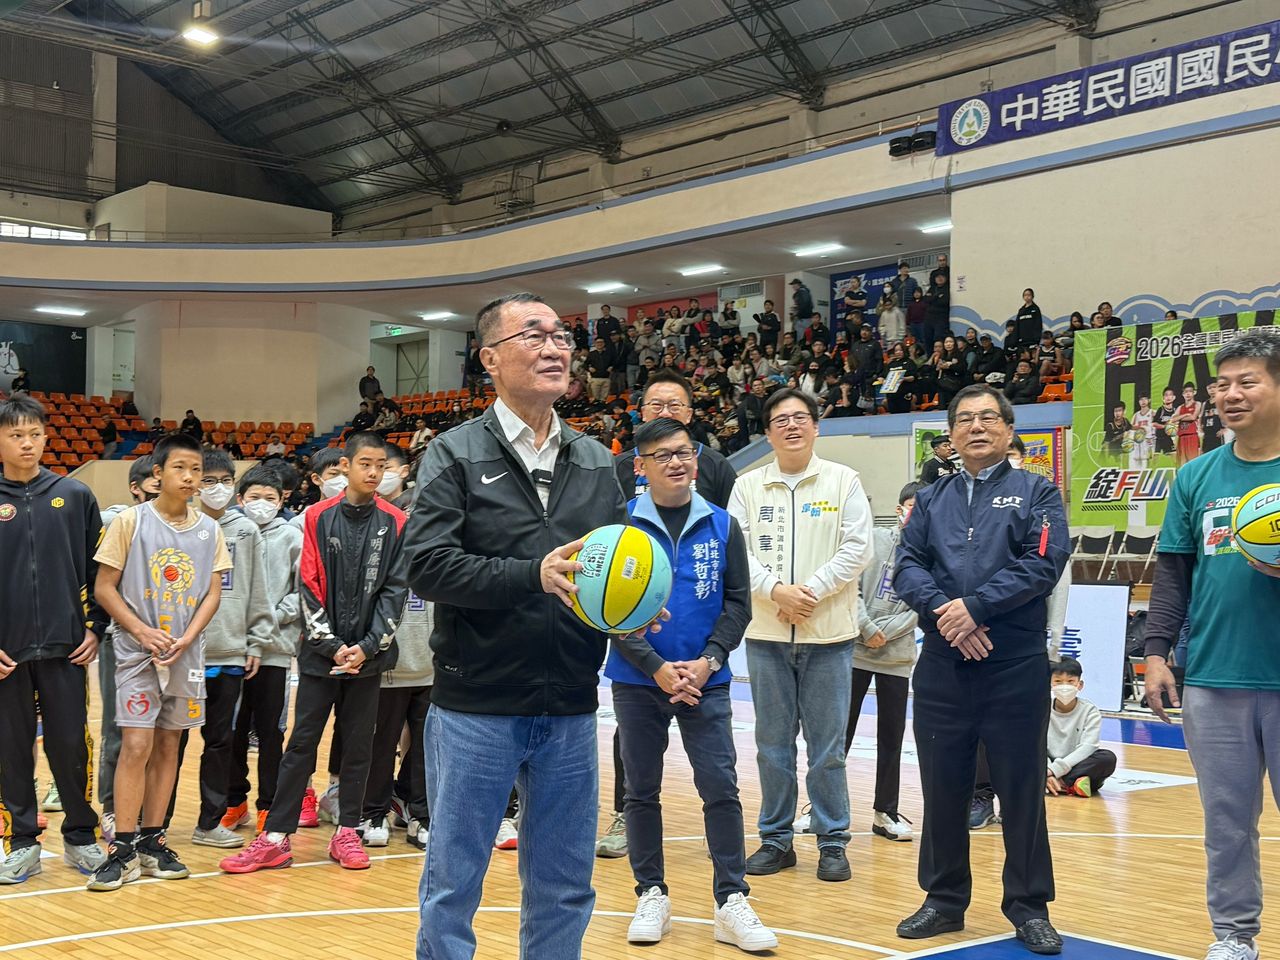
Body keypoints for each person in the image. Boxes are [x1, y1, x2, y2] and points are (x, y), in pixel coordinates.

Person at [403, 293, 640, 960]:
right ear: (490, 359)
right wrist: (529, 575)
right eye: (533, 335)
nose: (554, 347)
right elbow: (425, 565)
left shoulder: (595, 460)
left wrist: (637, 608)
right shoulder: (454, 452)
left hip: (570, 703)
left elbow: (613, 566)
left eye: (561, 336)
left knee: (565, 885)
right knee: (454, 883)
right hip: (475, 705)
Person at [892, 384, 1068, 953]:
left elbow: (1043, 562)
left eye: (988, 417)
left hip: (1013, 662)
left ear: (1009, 430)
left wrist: (977, 608)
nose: (976, 426)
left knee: (1021, 788)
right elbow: (906, 565)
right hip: (944, 662)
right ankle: (943, 901)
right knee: (943, 785)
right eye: (964, 418)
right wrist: (949, 615)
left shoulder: (1038, 492)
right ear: (951, 434)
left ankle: (1029, 906)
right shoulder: (930, 499)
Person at [607, 418, 775, 951]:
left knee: (721, 788)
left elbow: (737, 603)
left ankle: (732, 900)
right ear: (641, 466)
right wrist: (655, 665)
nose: (676, 462)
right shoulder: (618, 526)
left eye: (683, 452)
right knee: (641, 791)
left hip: (708, 680)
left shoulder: (723, 525)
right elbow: (604, 608)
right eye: (662, 455)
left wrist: (709, 659)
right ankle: (650, 893)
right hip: (637, 680)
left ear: (696, 458)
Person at [1141, 331, 1280, 960]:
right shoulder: (1196, 476)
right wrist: (1156, 653)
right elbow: (1173, 573)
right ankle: (1234, 935)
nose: (1230, 395)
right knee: (1227, 823)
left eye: (1247, 381)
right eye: (1222, 384)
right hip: (1214, 679)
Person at [219, 433, 407, 875]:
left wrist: (366, 647)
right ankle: (275, 837)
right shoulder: (316, 517)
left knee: (358, 746)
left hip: (369, 660)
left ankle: (348, 832)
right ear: (346, 467)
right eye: (365, 464)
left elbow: (395, 590)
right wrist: (333, 646)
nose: (373, 473)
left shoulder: (397, 521)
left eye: (381, 466)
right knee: (301, 743)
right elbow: (308, 585)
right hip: (321, 657)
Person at [729, 388, 874, 883]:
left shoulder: (843, 480)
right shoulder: (747, 486)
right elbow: (736, 551)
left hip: (828, 636)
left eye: (799, 417)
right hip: (767, 634)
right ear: (768, 433)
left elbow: (859, 548)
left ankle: (832, 841)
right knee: (772, 745)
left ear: (816, 426)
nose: (791, 426)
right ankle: (776, 839)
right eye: (780, 420)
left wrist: (808, 591)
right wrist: (776, 592)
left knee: (827, 748)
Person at [88, 432, 232, 891]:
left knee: (170, 745)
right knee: (136, 745)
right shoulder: (130, 521)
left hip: (185, 652)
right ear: (158, 473)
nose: (189, 478)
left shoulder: (210, 530)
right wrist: (141, 631)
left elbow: (212, 593)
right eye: (180, 468)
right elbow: (104, 588)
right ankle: (122, 847)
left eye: (197, 471)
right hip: (136, 651)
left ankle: (153, 840)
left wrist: (188, 637)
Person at [0, 394, 108, 884]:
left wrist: (95, 626)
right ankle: (21, 842)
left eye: (35, 434)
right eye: (16, 435)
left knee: (70, 746)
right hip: (7, 653)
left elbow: (99, 569)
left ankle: (81, 837)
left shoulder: (75, 495)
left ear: (47, 437)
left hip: (68, 648)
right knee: (10, 748)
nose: (27, 444)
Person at [182, 449, 276, 851]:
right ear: (194, 482)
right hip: (183, 652)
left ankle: (210, 821)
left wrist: (256, 639)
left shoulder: (246, 531)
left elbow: (258, 588)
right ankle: (155, 822)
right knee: (172, 741)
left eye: (224, 481)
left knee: (221, 740)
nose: (217, 488)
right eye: (209, 480)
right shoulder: (180, 525)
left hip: (229, 652)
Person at [223, 464, 304, 837]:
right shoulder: (229, 534)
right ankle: (234, 801)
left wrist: (270, 616)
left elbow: (303, 590)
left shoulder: (291, 537)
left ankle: (268, 806)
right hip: (232, 649)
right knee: (232, 731)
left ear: (281, 501)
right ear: (240, 499)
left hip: (273, 649)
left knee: (271, 732)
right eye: (254, 497)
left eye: (269, 498)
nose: (261, 503)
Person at [362, 444, 434, 851]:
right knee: (380, 743)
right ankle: (374, 811)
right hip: (389, 667)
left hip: (432, 667)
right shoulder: (385, 553)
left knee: (426, 746)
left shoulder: (444, 555)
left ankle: (418, 812)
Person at [845, 481, 921, 844]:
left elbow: (921, 605)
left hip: (896, 657)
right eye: (911, 505)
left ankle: (885, 812)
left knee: (891, 739)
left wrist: (883, 633)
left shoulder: (932, 553)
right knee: (838, 734)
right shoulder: (872, 539)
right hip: (855, 651)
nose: (915, 513)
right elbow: (851, 587)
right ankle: (822, 806)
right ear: (898, 508)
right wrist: (866, 627)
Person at [97, 456, 161, 843]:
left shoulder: (188, 528)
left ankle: (150, 818)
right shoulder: (118, 521)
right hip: (121, 641)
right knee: (118, 729)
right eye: (153, 484)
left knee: (161, 735)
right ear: (136, 488)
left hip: (169, 644)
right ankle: (111, 807)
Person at [1045, 659, 1116, 798]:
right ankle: (1071, 784)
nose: (1064, 686)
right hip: (1047, 764)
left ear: (1080, 684)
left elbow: (1088, 746)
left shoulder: (1090, 711)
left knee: (1107, 758)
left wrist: (1052, 772)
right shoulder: (1042, 709)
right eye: (1058, 681)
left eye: (1070, 681)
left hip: (1077, 764)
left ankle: (1057, 782)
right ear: (1050, 683)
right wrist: (1047, 768)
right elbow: (1037, 746)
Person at [1175, 381, 1203, 466]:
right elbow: (1173, 419)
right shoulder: (1180, 407)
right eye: (1186, 392)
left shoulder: (1197, 404)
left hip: (1192, 436)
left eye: (1190, 391)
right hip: (1181, 438)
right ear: (1183, 394)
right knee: (1182, 465)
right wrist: (1185, 415)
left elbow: (1193, 417)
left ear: (1194, 392)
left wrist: (1180, 418)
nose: (1188, 394)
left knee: (1193, 463)